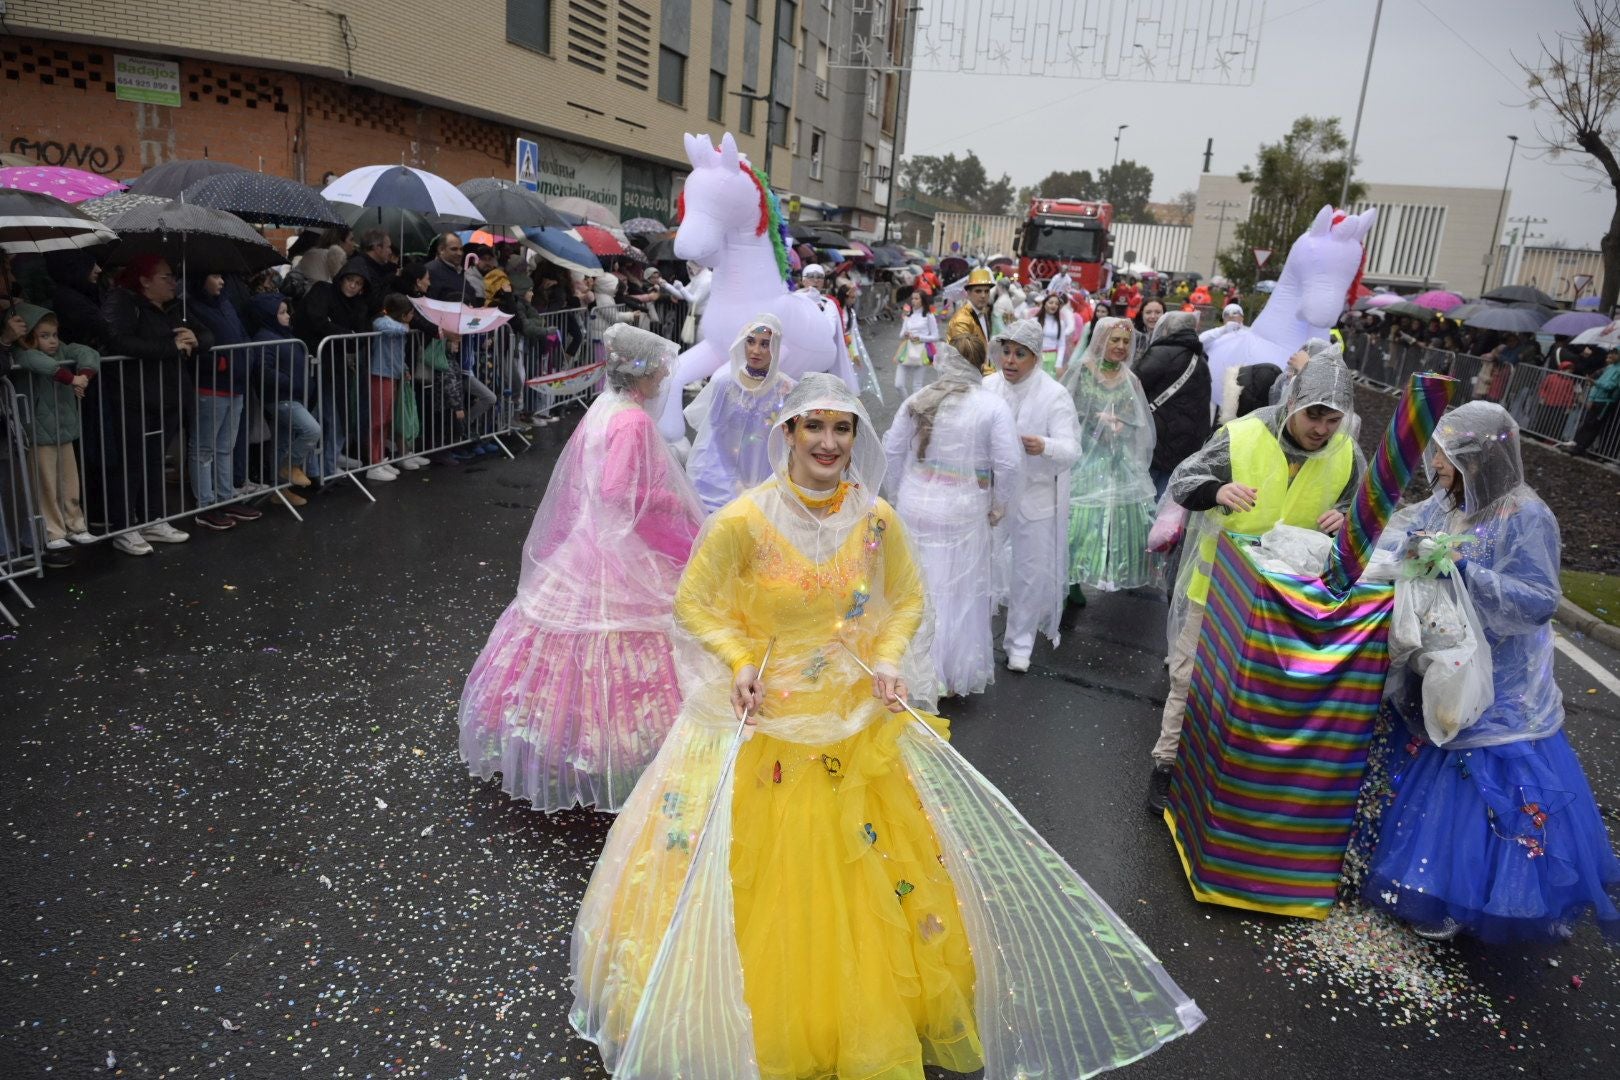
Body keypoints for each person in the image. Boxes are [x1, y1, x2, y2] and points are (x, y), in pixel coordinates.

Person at [570, 372, 1204, 1080]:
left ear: (856, 438)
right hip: (766, 723)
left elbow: (905, 598)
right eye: (814, 427)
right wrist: (739, 660)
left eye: (842, 429)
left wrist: (887, 658)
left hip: (852, 723)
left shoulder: (875, 520)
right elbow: (695, 603)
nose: (828, 442)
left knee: (867, 880)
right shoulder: (744, 519)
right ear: (789, 433)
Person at [1362, 402, 1620, 942]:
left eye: (1444, 454)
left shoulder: (1526, 516)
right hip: (1444, 665)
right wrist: (1371, 535)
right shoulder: (1447, 500)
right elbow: (1406, 531)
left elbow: (1538, 600)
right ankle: (1425, 876)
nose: (1435, 464)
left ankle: (1462, 897)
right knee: (1433, 759)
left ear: (1475, 458)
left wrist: (1465, 570)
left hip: (1500, 683)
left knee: (1479, 784)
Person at [460, 324, 704, 813]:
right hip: (617, 548)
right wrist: (667, 498)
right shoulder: (632, 420)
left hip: (587, 542)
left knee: (566, 643)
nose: (664, 376)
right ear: (643, 371)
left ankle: (559, 742)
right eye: (660, 368)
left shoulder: (603, 407)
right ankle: (620, 752)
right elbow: (616, 491)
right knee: (627, 642)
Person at [1147, 349, 1364, 812]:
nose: (1322, 429)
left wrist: (1347, 518)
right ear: (1293, 402)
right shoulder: (1243, 435)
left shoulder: (1346, 452)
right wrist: (1217, 489)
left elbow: (1364, 510)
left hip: (1288, 602)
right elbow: (1183, 481)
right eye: (1314, 416)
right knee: (1190, 680)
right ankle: (1166, 766)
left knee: (1256, 694)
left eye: (1333, 420)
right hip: (1218, 590)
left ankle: (1227, 779)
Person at [883, 336, 1023, 697]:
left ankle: (907, 667)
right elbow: (1008, 464)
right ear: (981, 364)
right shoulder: (992, 406)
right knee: (956, 592)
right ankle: (944, 672)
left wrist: (898, 495)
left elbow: (892, 450)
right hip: (963, 509)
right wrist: (999, 504)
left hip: (915, 504)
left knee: (914, 587)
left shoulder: (918, 400)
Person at [95, 256, 210, 556]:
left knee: (155, 461)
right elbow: (117, 340)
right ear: (144, 281)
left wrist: (196, 339)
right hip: (133, 396)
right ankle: (123, 527)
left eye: (173, 276)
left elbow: (207, 334)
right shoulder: (123, 302)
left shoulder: (176, 307)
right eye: (166, 277)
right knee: (131, 463)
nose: (173, 282)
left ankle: (153, 519)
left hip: (168, 396)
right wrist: (169, 347)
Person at [985, 319, 1081, 672]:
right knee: (982, 564)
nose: (1010, 360)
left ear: (1036, 357)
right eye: (1006, 352)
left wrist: (1045, 445)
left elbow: (1072, 449)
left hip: (1036, 496)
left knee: (1029, 573)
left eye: (1019, 354)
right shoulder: (987, 387)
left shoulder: (1054, 395)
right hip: (991, 495)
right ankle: (974, 637)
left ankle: (1020, 644)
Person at [1062, 317, 1159, 596]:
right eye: (1114, 340)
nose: (1120, 346)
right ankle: (1068, 582)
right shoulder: (1082, 371)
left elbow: (1138, 421)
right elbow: (1064, 410)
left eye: (1126, 341)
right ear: (1100, 341)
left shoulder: (1131, 380)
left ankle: (1093, 572)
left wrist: (1121, 425)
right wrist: (1094, 420)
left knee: (1119, 523)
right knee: (1076, 522)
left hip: (1117, 459)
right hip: (1084, 458)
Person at [7, 303, 98, 549]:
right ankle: (54, 532)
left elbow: (88, 352)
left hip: (63, 427)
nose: (53, 341)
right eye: (45, 335)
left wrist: (85, 375)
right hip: (38, 431)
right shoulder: (22, 353)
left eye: (55, 335)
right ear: (28, 337)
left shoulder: (62, 349)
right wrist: (72, 378)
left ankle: (76, 525)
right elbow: (36, 361)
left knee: (70, 480)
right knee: (46, 484)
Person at [685, 314, 796, 514]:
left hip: (767, 478)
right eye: (751, 341)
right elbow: (714, 434)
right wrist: (732, 479)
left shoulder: (786, 389)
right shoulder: (725, 384)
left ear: (776, 347)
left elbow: (791, 441)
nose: (755, 350)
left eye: (765, 344)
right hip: (720, 477)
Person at [185, 272, 260, 531]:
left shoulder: (225, 304)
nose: (222, 281)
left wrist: (246, 360)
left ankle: (225, 498)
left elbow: (241, 334)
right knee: (204, 448)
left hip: (234, 383)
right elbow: (197, 346)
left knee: (225, 446)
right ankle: (205, 505)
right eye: (215, 276)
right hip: (211, 385)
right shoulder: (190, 308)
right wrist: (221, 363)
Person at [244, 293, 318, 509]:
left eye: (287, 312)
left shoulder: (282, 334)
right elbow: (264, 371)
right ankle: (290, 466)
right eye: (282, 312)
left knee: (282, 442)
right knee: (312, 430)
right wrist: (292, 382)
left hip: (290, 395)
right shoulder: (265, 338)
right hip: (281, 397)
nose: (287, 316)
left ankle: (280, 489)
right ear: (269, 316)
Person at [1134, 310, 1211, 498]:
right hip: (1186, 441)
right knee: (1165, 496)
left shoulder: (1161, 353)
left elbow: (1134, 384)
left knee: (1144, 494)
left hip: (1156, 437)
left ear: (1167, 329)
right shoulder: (1200, 360)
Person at [1560, 347, 1620, 457]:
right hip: (1597, 399)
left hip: (1605, 401)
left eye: (1616, 354)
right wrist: (1591, 398)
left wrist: (1595, 383)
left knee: (1593, 426)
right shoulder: (1610, 367)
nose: (1612, 356)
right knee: (1587, 423)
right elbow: (1597, 384)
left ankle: (1580, 447)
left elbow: (1610, 386)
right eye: (1612, 353)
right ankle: (1575, 444)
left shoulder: (1617, 369)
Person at [892, 293, 939, 397]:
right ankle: (907, 404)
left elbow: (935, 336)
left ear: (923, 300)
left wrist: (920, 337)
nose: (913, 300)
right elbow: (901, 334)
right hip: (906, 350)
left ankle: (914, 406)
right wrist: (905, 334)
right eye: (912, 298)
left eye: (916, 298)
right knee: (898, 384)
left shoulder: (929, 316)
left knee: (917, 385)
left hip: (922, 351)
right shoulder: (908, 315)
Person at [946, 266, 996, 353]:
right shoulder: (961, 319)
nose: (983, 295)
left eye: (986, 291)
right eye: (978, 291)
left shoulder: (985, 312)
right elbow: (963, 354)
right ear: (968, 293)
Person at [1035, 291, 1076, 376]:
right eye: (1051, 303)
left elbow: (1061, 344)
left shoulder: (1061, 323)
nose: (1054, 305)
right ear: (1044, 304)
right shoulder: (1034, 321)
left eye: (1056, 304)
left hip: (1052, 359)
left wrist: (1058, 364)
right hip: (1036, 359)